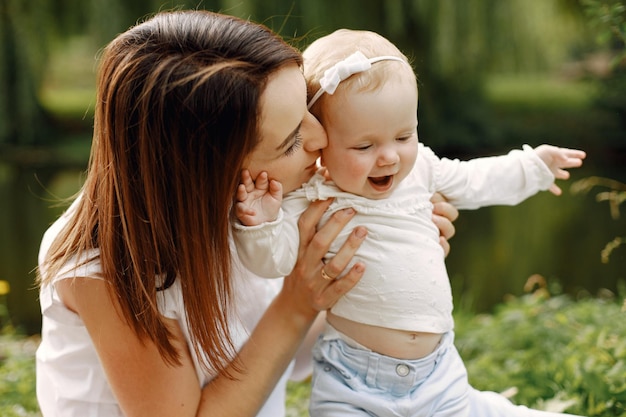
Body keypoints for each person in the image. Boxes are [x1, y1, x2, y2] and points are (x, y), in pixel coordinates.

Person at [35, 11, 459, 417]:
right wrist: (296, 303)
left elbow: (274, 353)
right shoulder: (105, 270)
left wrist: (384, 264)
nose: (321, 136)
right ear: (208, 172)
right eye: (292, 139)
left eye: (309, 109)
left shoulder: (254, 214)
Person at [232, 29, 587, 416]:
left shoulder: (424, 173)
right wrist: (261, 224)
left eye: (404, 136)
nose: (388, 158)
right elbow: (273, 261)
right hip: (352, 377)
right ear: (322, 144)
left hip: (437, 372)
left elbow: (478, 180)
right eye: (364, 146)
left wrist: (533, 167)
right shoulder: (313, 195)